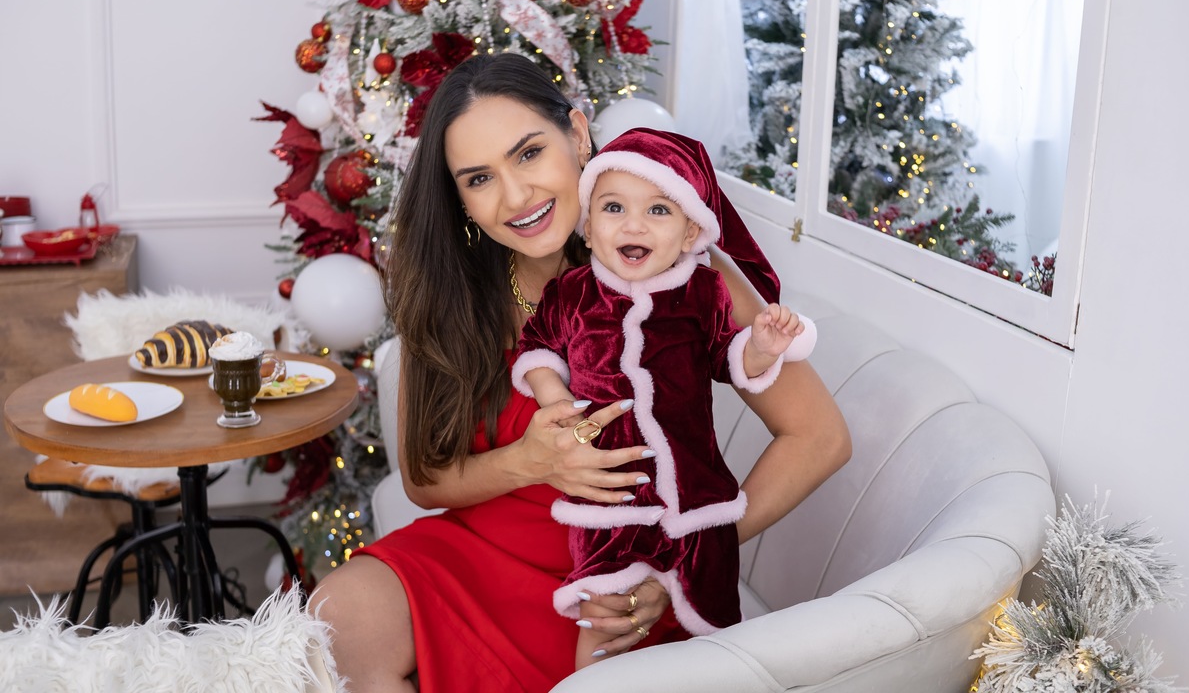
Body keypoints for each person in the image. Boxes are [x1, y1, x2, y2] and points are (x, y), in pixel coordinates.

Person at [307, 53, 852, 693]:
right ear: (461, 199)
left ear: (577, 133)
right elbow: (425, 482)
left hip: (623, 572)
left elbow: (820, 438)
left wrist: (684, 560)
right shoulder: (450, 292)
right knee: (337, 620)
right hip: (478, 555)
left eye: (529, 153)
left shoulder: (683, 271)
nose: (516, 196)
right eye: (479, 178)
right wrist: (530, 461)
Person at [512, 128, 817, 669]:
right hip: (612, 502)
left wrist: (761, 349)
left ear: (690, 232)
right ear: (589, 226)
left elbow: (729, 360)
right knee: (605, 624)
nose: (633, 225)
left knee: (710, 634)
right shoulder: (573, 294)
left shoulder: (704, 293)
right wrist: (555, 400)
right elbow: (537, 348)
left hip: (696, 500)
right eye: (613, 208)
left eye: (658, 210)